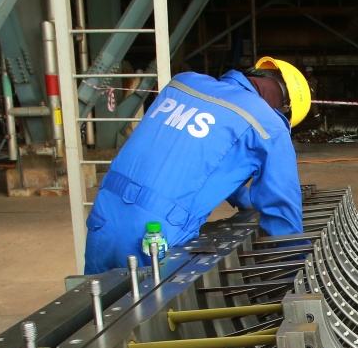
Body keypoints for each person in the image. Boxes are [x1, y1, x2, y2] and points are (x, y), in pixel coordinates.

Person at [83, 57, 311, 273]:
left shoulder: (183, 82)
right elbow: (281, 207)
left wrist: (245, 202)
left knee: (96, 297)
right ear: (284, 110)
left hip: (104, 214)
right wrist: (296, 268)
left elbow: (209, 160)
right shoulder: (268, 124)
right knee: (150, 300)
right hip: (156, 233)